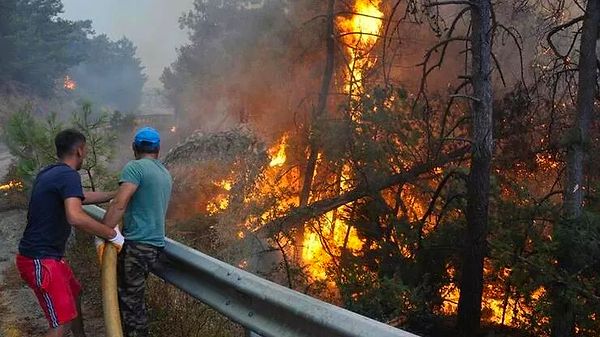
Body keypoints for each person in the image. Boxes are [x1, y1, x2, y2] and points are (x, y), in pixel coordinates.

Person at [16, 129, 125, 337]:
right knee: (61, 324)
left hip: (46, 257)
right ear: (79, 150)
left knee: (75, 292)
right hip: (40, 259)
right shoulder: (68, 175)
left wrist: (114, 194)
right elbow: (75, 216)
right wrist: (110, 233)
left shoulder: (51, 173)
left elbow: (80, 196)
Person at [102, 126, 172, 337]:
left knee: (130, 306)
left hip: (136, 245)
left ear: (134, 147)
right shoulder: (164, 173)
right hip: (155, 246)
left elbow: (119, 204)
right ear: (158, 149)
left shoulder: (135, 168)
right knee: (135, 302)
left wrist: (103, 231)